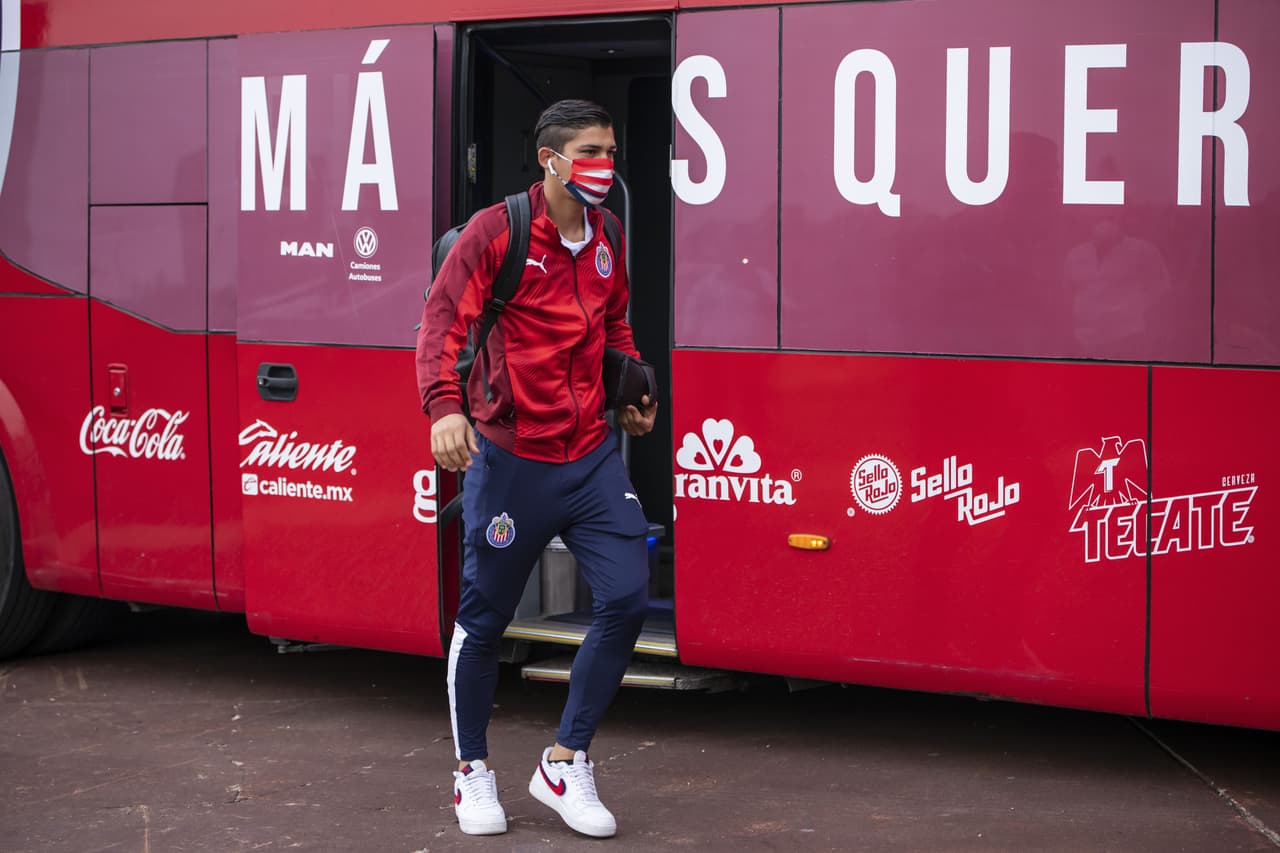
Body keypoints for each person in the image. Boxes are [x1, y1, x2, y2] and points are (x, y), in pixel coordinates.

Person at [414, 99, 658, 839]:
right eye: (590, 151)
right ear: (550, 161)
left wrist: (632, 384)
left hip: (589, 459)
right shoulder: (499, 232)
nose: (606, 166)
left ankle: (564, 760)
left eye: (612, 151)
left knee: (627, 596)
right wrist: (444, 408)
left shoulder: (609, 233)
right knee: (483, 620)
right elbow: (440, 323)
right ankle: (471, 775)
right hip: (512, 461)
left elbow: (614, 321)